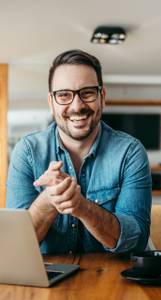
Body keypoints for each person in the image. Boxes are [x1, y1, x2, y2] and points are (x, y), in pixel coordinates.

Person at [6, 49, 152, 254]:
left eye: (87, 93)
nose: (77, 106)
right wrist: (48, 200)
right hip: (47, 282)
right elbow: (15, 246)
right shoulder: (27, 152)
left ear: (102, 97)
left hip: (113, 282)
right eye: (64, 95)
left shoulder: (130, 152)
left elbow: (135, 240)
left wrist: (81, 206)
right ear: (51, 102)